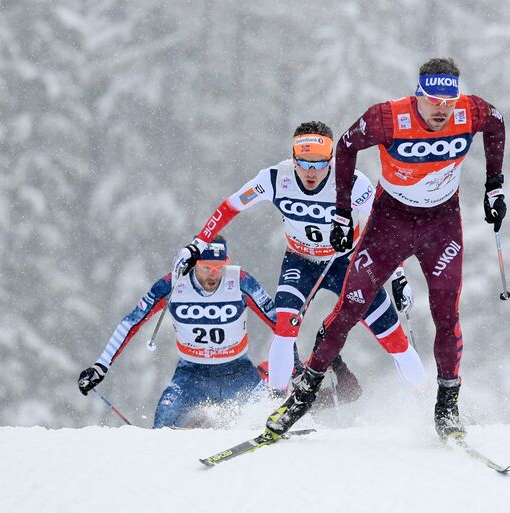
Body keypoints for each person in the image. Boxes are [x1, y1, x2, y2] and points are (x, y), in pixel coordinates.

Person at [262, 57, 507, 441]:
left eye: (449, 101)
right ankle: (303, 396)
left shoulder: (470, 110)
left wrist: (494, 184)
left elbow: (496, 122)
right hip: (388, 224)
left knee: (446, 314)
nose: (442, 110)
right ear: (419, 94)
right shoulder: (388, 118)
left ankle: (447, 408)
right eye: (433, 101)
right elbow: (344, 146)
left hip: (441, 227)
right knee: (348, 311)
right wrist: (342, 212)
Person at [173, 121, 426, 394]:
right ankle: (275, 406)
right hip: (301, 261)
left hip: (348, 263)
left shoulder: (352, 182)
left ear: (331, 159)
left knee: (392, 337)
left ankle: (431, 405)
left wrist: (398, 276)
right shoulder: (274, 178)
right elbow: (230, 207)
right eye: (304, 162)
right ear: (294, 158)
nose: (311, 171)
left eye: (319, 163)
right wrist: (197, 245)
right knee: (285, 327)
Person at [78, 237, 280, 428]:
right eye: (206, 267)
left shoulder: (240, 281)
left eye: (219, 268)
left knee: (271, 419)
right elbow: (131, 322)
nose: (213, 274)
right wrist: (100, 367)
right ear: (194, 264)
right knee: (163, 421)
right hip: (191, 376)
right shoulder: (173, 283)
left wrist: (293, 367)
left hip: (238, 372)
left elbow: (280, 324)